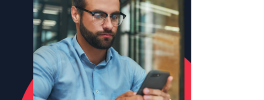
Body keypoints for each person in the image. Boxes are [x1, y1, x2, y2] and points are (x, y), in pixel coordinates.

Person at [33, 0, 173, 100]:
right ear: (76, 14)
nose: (109, 25)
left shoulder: (130, 69)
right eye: (98, 15)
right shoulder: (47, 60)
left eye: (114, 16)